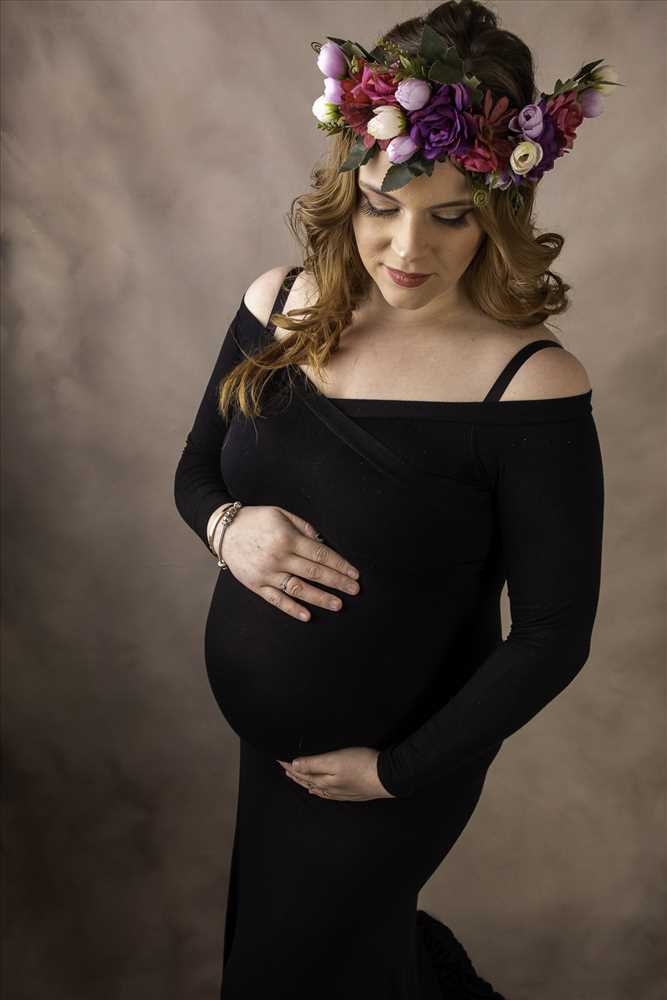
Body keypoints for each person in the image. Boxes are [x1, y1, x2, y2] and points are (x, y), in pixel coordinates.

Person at [174, 2, 610, 996]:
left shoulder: (529, 383)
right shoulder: (276, 305)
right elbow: (194, 470)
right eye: (381, 204)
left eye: (449, 216)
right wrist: (228, 529)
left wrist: (394, 771)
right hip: (269, 759)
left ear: (498, 208)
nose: (406, 246)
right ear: (349, 186)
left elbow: (554, 633)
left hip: (390, 771)